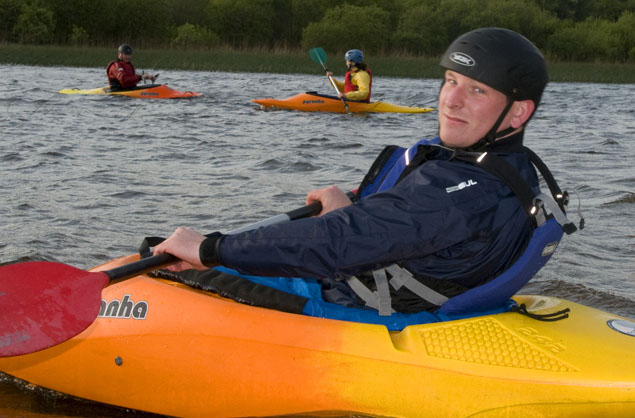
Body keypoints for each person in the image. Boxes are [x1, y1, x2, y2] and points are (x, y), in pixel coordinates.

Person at [152, 28, 577, 329]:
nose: (451, 100)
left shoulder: (460, 192)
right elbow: (407, 229)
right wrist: (355, 210)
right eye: (451, 81)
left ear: (518, 112)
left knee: (162, 265)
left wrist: (210, 247)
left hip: (367, 307)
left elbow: (336, 245)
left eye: (477, 91)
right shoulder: (509, 167)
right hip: (401, 285)